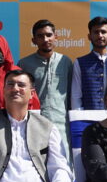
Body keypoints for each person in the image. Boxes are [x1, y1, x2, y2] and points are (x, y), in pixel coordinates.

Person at [18, 19, 73, 150]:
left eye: (49, 35)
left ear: (56, 37)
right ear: (34, 40)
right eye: (40, 36)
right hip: (34, 122)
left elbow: (72, 94)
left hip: (61, 123)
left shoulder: (65, 62)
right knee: (37, 162)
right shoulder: (24, 64)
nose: (45, 39)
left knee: (63, 162)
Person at [71, 17, 107, 110]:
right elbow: (76, 96)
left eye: (103, 32)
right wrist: (79, 120)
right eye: (96, 32)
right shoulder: (80, 62)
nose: (100, 35)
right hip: (89, 118)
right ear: (89, 36)